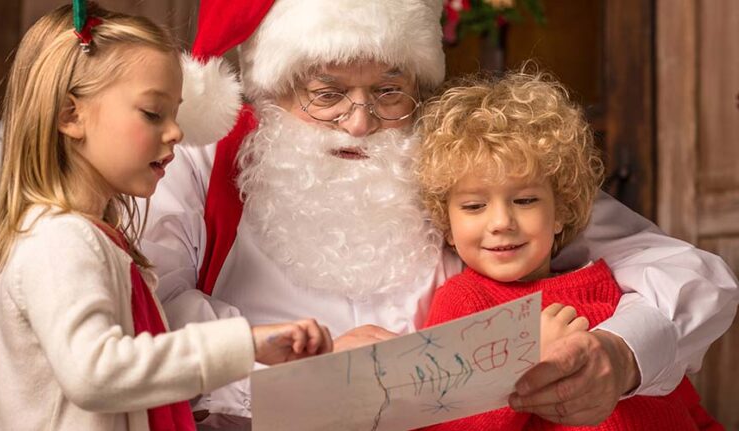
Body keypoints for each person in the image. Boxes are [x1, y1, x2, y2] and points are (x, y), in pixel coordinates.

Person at [141, 0, 739, 428]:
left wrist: (622, 353)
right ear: (274, 86)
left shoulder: (458, 159)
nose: (359, 122)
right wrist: (294, 366)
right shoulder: (201, 155)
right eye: (326, 94)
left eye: (388, 91)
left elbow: (686, 271)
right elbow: (150, 309)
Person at [0, 4, 331, 430]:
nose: (177, 131)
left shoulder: (97, 238)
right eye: (152, 113)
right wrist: (243, 345)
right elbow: (97, 372)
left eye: (175, 113)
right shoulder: (59, 241)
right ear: (71, 115)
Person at [415, 71, 722, 430]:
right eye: (473, 206)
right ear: (447, 225)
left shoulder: (609, 284)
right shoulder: (463, 304)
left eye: (525, 200)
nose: (501, 222)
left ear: (561, 211)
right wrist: (522, 360)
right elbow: (446, 424)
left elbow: (676, 400)